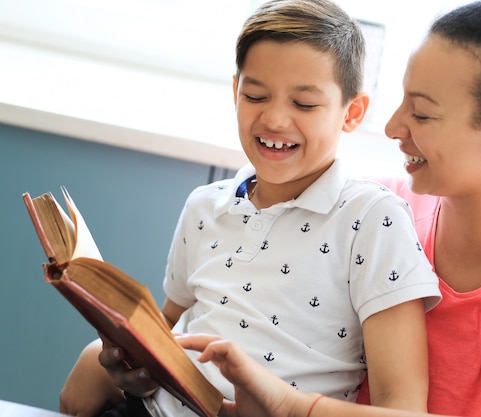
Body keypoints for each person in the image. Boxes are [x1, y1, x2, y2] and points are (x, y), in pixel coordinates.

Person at [178, 0, 481, 416]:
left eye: (422, 114)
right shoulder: (365, 207)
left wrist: (292, 407)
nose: (391, 128)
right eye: (403, 99)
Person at [58, 1, 442, 416]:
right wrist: (117, 362)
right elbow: (165, 328)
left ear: (352, 113)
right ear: (235, 91)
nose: (275, 119)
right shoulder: (205, 205)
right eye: (256, 95)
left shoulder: (373, 219)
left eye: (304, 104)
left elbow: (403, 409)